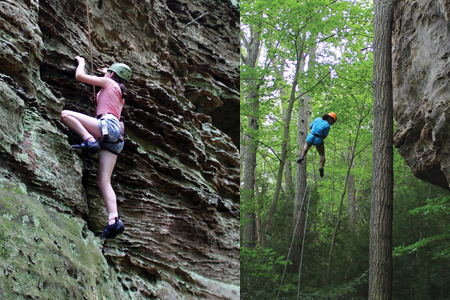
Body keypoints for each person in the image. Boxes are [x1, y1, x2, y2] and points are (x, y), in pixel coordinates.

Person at [61, 56, 131, 238]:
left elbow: (80, 76)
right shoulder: (119, 91)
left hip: (107, 126)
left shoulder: (108, 82)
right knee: (103, 181)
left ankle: (88, 139)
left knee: (65, 114)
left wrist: (81, 62)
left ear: (112, 74)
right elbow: (107, 92)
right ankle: (113, 220)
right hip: (117, 137)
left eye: (108, 72)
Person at [297, 112, 337, 177]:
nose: (332, 123)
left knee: (306, 145)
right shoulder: (327, 125)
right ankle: (321, 167)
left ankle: (302, 156)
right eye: (332, 122)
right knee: (322, 154)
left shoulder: (317, 119)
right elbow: (324, 136)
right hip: (318, 140)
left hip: (310, 136)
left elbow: (310, 127)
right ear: (330, 119)